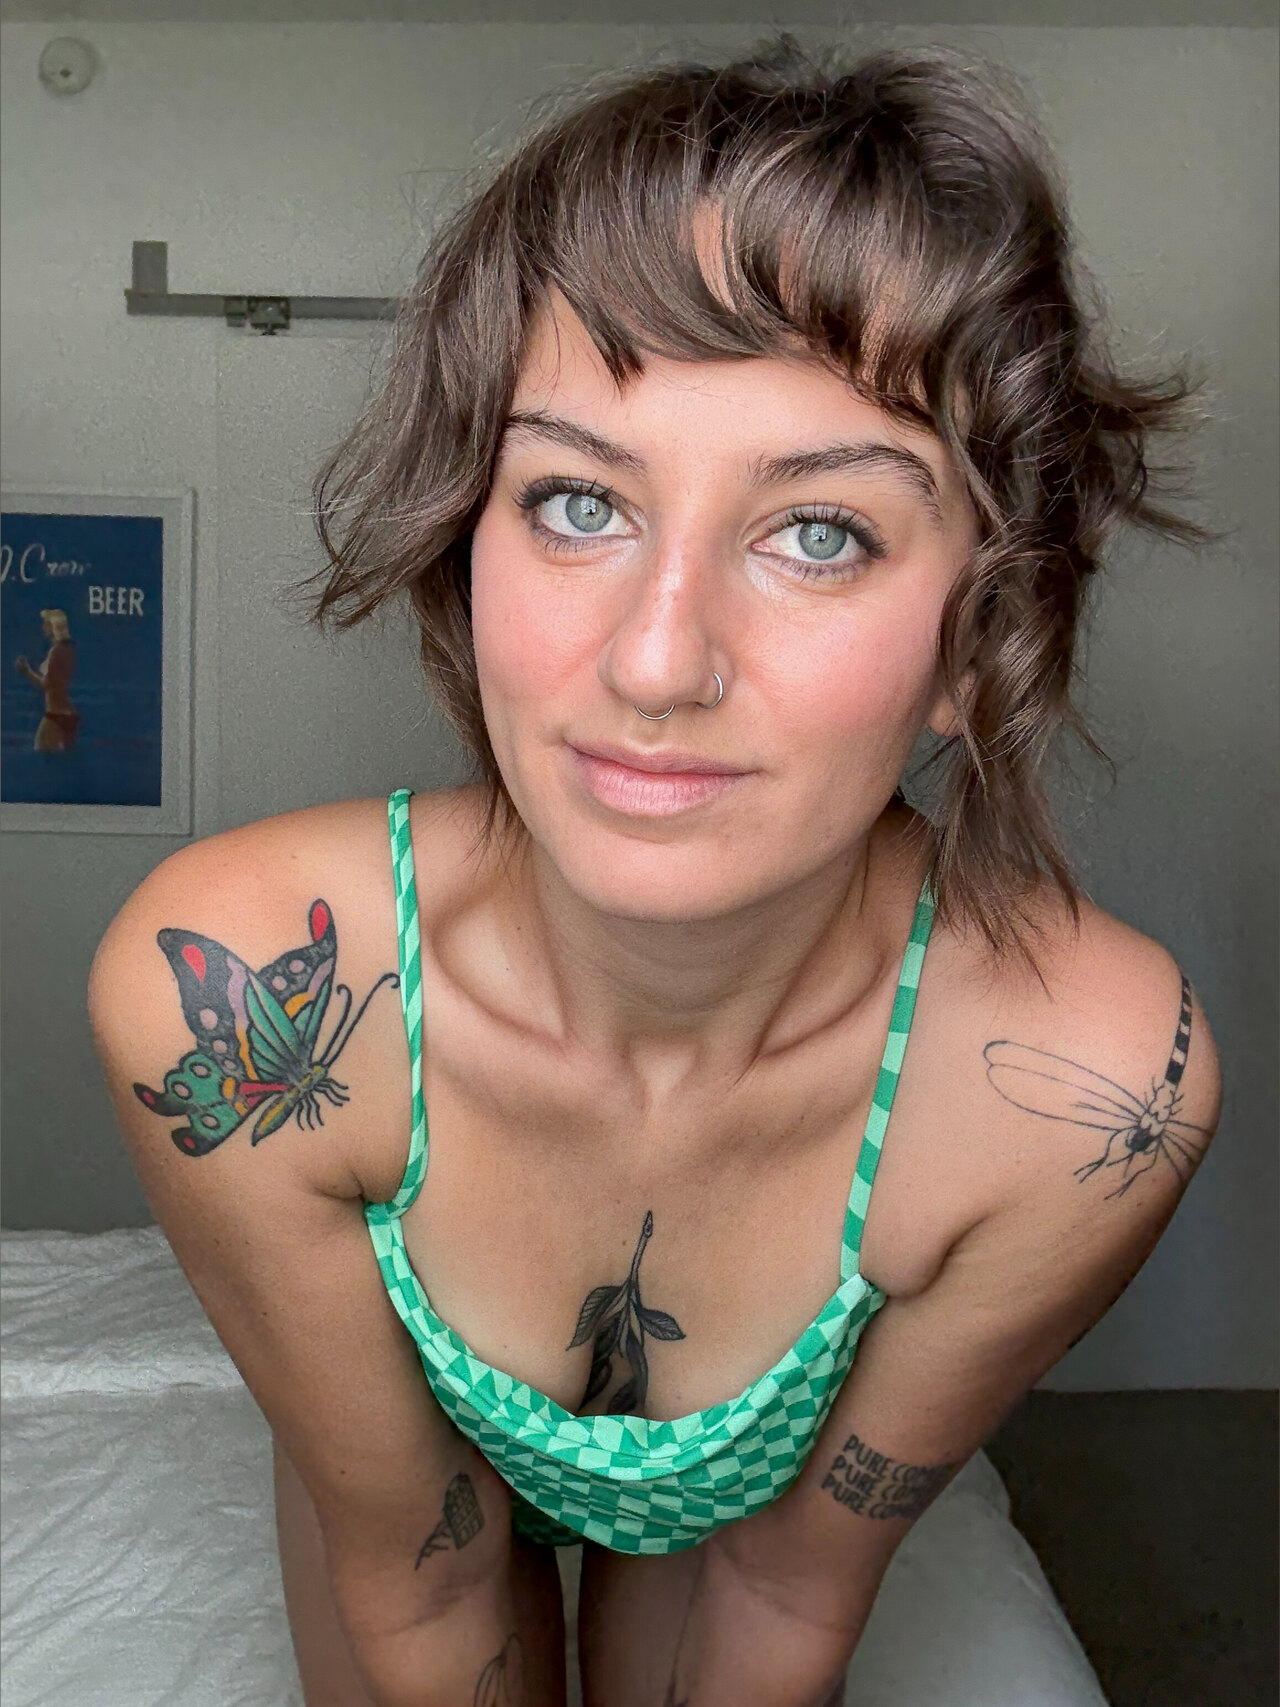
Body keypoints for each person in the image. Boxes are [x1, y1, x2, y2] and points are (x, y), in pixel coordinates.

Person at [89, 37, 1222, 1707]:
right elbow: (417, 1566)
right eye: (575, 502)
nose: (656, 660)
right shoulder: (225, 982)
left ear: (978, 641)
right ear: (466, 534)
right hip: (410, 1501)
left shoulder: (1095, 1089)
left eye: (820, 531)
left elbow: (793, 1580)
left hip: (738, 1518)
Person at [15, 607, 79, 751]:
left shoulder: (56, 652)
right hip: (67, 714)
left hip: (56, 714)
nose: (43, 628)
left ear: (55, 627)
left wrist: (27, 672)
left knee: (42, 750)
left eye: (46, 624)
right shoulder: (67, 650)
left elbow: (49, 686)